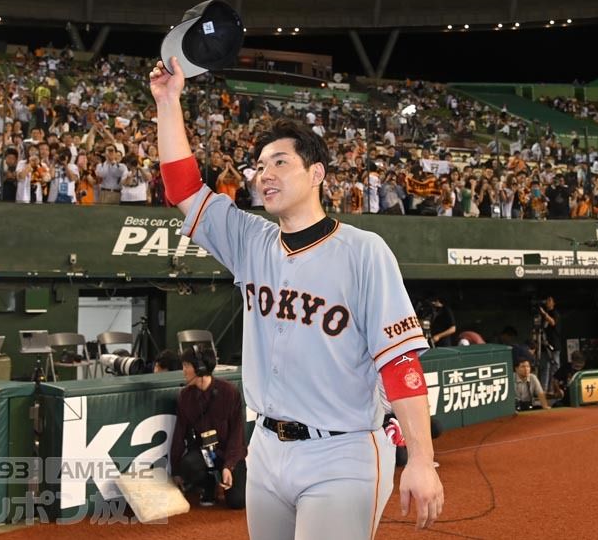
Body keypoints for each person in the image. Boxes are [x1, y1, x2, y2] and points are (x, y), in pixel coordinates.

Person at [150, 57, 443, 538]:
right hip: (266, 448)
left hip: (341, 450)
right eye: (259, 166)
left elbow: (400, 363)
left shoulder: (363, 251)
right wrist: (167, 101)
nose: (264, 174)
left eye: (280, 162)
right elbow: (183, 187)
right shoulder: (250, 240)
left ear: (316, 173)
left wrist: (422, 459)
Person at [170, 345, 247, 509]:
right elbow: (179, 435)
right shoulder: (185, 397)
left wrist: (229, 466)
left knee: (237, 502)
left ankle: (225, 477)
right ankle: (208, 485)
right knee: (188, 465)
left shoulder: (230, 392)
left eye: (186, 366)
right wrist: (176, 471)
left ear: (200, 368)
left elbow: (237, 435)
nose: (183, 371)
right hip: (204, 453)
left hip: (229, 453)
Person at [537, 295, 561, 392]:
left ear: (554, 303)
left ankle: (554, 389)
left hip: (554, 345)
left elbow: (553, 322)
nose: (547, 302)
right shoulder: (543, 315)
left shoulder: (555, 313)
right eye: (547, 300)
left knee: (554, 367)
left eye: (550, 300)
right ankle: (544, 389)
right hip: (544, 345)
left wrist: (544, 313)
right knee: (545, 368)